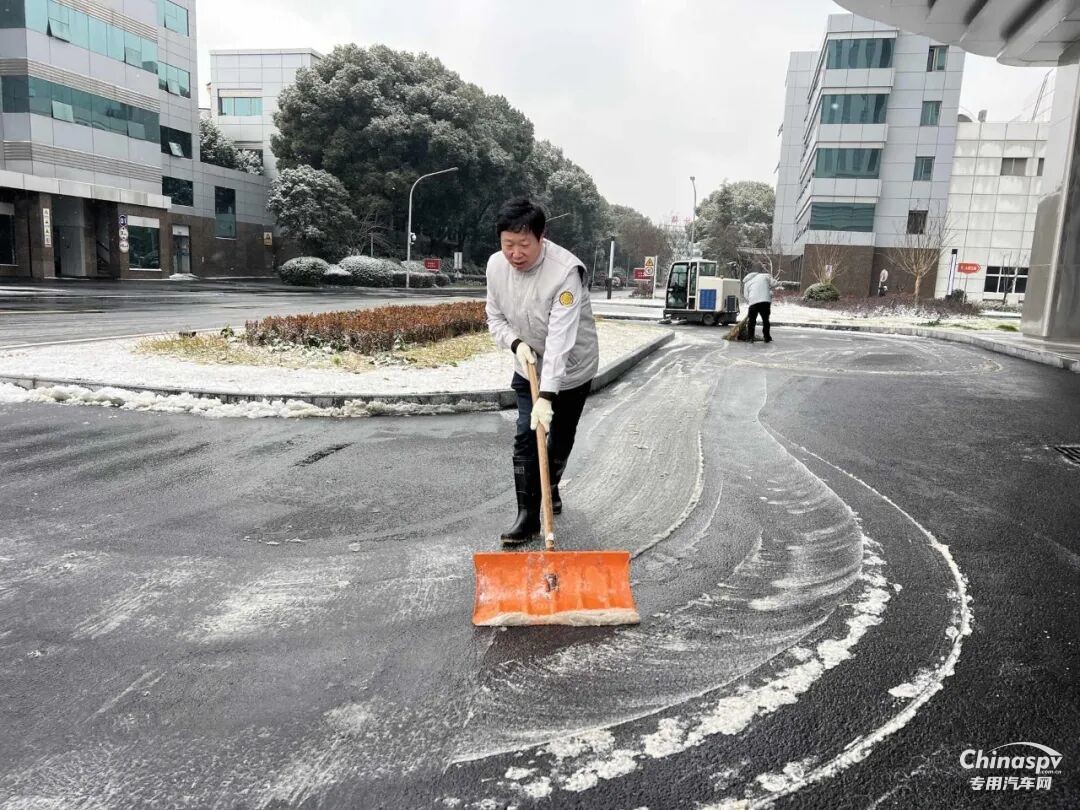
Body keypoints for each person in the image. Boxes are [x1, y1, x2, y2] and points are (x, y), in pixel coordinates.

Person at [486, 198, 600, 545]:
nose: (515, 253)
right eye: (508, 245)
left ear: (541, 237)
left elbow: (561, 340)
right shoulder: (495, 267)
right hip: (528, 364)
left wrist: (548, 396)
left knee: (559, 438)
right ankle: (527, 518)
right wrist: (516, 344)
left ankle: (550, 485)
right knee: (526, 436)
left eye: (524, 245)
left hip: (572, 369)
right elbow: (495, 318)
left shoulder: (565, 272)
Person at [742, 267, 779, 343]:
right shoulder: (764, 276)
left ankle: (750, 338)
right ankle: (767, 337)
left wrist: (752, 301)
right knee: (765, 320)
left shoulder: (747, 282)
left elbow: (746, 296)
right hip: (765, 301)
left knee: (751, 321)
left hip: (753, 302)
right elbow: (774, 284)